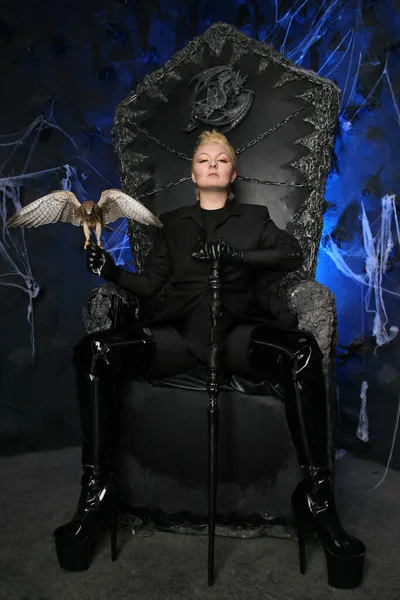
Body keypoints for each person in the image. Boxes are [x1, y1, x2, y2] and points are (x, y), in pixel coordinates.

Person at [54, 130, 365, 588]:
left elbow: (291, 253)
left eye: (222, 158)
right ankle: (97, 489)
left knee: (300, 352)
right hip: (179, 335)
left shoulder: (255, 217)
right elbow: (151, 286)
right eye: (204, 158)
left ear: (234, 174)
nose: (213, 163)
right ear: (193, 173)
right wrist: (112, 270)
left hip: (238, 334)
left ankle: (317, 498)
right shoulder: (173, 222)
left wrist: (238, 254)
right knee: (94, 351)